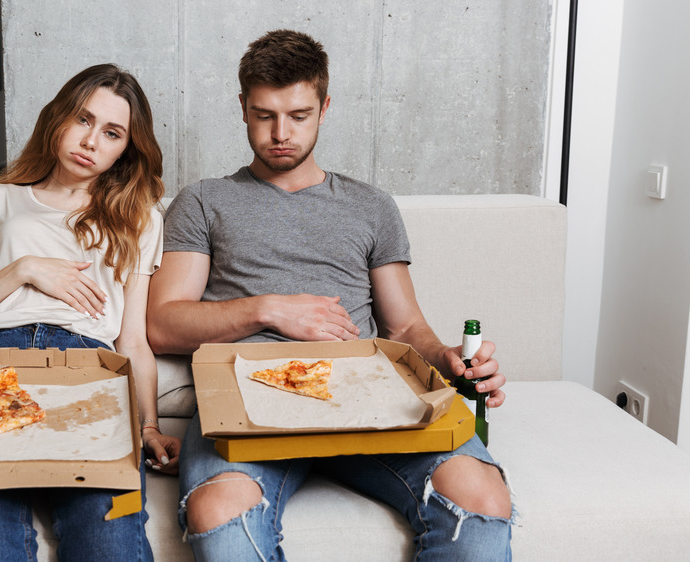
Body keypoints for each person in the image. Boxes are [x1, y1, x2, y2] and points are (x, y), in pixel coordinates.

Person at [146, 30, 513, 560]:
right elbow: (163, 324)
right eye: (264, 115)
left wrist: (451, 360)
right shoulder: (204, 201)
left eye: (298, 115)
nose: (280, 133)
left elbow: (406, 328)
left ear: (324, 108)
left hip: (369, 401)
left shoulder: (372, 205)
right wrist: (268, 309)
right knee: (219, 513)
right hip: (247, 404)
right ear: (243, 109)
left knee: (482, 496)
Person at [0, 63, 179, 562]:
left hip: (89, 371)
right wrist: (23, 270)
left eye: (111, 133)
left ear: (126, 148)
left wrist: (147, 426)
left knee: (110, 541)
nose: (90, 141)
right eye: (83, 120)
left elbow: (132, 342)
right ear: (58, 118)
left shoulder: (140, 217)